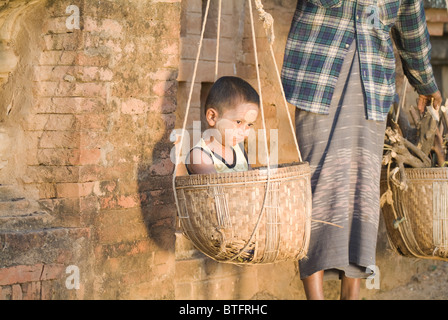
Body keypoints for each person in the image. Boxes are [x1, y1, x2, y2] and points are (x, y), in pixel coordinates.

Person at [281, 0, 443, 300]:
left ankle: (350, 296)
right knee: (318, 188)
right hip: (318, 75)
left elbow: (411, 25)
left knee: (362, 192)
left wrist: (425, 83)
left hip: (372, 83)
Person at [186, 76, 259, 175]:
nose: (244, 131)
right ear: (212, 117)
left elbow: (252, 180)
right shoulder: (200, 156)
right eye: (238, 122)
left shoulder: (239, 150)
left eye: (249, 124)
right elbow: (219, 188)